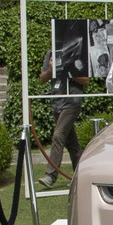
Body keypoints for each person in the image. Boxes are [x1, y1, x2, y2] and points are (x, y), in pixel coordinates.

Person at [39, 32, 87, 183]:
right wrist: (51, 69)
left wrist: (68, 68)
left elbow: (86, 80)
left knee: (58, 136)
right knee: (72, 144)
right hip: (57, 101)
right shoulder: (50, 54)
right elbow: (42, 79)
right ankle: (80, 175)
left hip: (72, 101)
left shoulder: (77, 53)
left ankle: (50, 176)